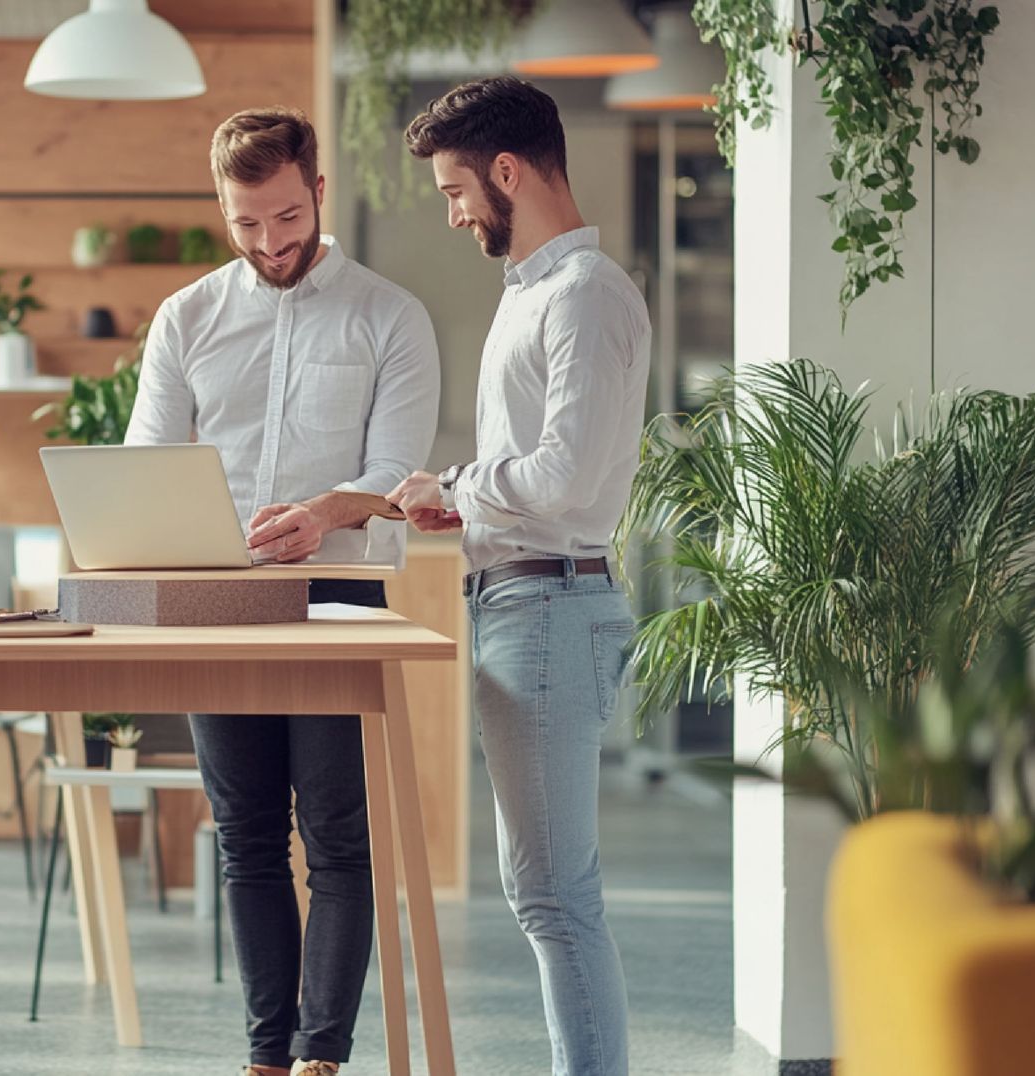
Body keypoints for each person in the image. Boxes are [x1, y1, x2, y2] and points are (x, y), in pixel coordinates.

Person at [125, 107, 441, 1076]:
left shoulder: (389, 314)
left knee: (336, 832)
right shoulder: (188, 315)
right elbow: (148, 459)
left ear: (317, 190)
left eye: (285, 217)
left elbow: (395, 469)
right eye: (246, 223)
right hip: (221, 601)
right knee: (248, 833)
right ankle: (269, 1054)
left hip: (339, 592)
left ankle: (323, 1055)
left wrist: (323, 513)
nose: (270, 242)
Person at [388, 77, 652, 1076]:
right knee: (545, 888)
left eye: (458, 190)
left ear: (507, 172)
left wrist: (454, 486)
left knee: (553, 892)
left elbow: (564, 477)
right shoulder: (540, 294)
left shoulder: (584, 297)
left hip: (550, 602)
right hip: (523, 600)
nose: (456, 213)